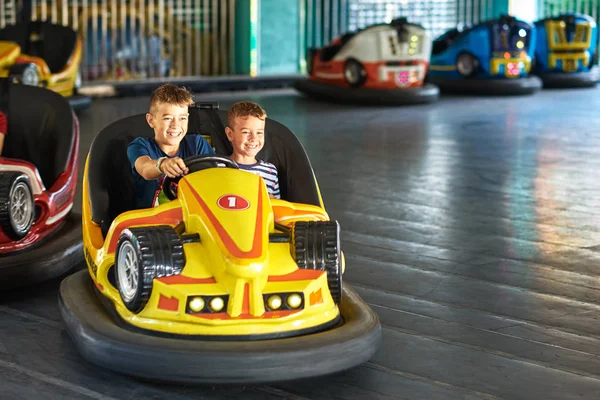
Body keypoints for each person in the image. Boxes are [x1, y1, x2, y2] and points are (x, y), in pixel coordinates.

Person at [127, 83, 214, 208]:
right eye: (168, 118)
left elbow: (214, 176)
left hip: (190, 219)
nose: (176, 125)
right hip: (151, 222)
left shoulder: (197, 144)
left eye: (182, 118)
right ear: (151, 120)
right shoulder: (140, 146)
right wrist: (162, 165)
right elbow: (145, 168)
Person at [225, 101, 280, 199]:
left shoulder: (270, 171)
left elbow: (276, 208)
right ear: (230, 134)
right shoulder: (218, 168)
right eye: (246, 132)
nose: (253, 138)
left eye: (259, 133)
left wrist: (272, 201)